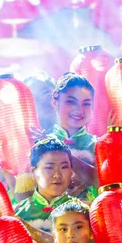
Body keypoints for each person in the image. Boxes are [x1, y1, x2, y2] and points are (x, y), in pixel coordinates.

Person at [32, 73, 99, 203]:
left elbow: (104, 183)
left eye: (86, 103)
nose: (79, 110)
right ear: (54, 102)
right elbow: (29, 195)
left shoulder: (99, 145)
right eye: (71, 102)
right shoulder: (40, 143)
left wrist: (62, 151)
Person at [14, 137, 77, 243]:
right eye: (49, 168)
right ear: (34, 172)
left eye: (64, 167)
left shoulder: (84, 212)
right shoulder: (17, 213)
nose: (57, 175)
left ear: (71, 171)